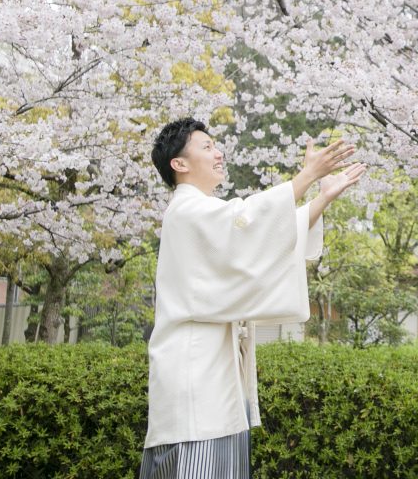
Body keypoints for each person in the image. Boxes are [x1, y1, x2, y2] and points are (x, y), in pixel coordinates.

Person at [140, 117, 366, 479]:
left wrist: (321, 197)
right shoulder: (187, 210)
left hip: (214, 376)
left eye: (215, 145)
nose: (218, 153)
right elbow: (244, 223)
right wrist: (305, 178)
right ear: (178, 164)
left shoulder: (200, 212)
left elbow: (257, 238)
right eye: (206, 146)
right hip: (194, 376)